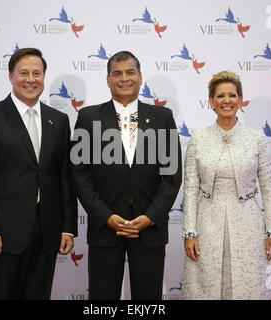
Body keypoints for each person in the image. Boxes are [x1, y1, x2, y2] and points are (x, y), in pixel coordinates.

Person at [0, 48, 78, 300]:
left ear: (44, 77)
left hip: (47, 231)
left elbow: (64, 177)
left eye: (37, 73)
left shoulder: (58, 120)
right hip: (4, 234)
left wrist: (68, 228)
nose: (31, 79)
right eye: (24, 73)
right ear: (10, 77)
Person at [71, 51, 182, 300]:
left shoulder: (163, 117)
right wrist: (105, 216)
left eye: (130, 72)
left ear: (140, 78)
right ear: (108, 79)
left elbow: (172, 176)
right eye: (117, 73)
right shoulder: (88, 117)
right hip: (105, 228)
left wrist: (151, 217)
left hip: (149, 229)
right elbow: (79, 174)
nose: (124, 79)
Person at [181, 71, 271, 300]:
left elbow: (269, 189)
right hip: (207, 223)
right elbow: (190, 189)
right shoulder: (198, 138)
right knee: (204, 287)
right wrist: (189, 232)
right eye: (221, 95)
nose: (227, 100)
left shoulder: (256, 139)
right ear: (211, 101)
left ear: (241, 100)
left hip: (248, 223)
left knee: (248, 286)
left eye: (232, 95)